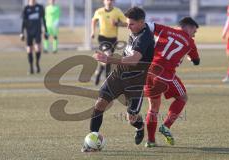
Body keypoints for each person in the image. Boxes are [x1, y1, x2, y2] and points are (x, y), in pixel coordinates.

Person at [82, 7, 155, 152]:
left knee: (131, 117)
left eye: (131, 24)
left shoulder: (145, 37)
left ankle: (140, 127)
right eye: (127, 23)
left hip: (135, 82)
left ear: (141, 22)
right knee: (100, 104)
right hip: (119, 76)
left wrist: (108, 59)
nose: (128, 26)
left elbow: (134, 60)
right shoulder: (135, 31)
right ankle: (91, 143)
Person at [144, 17, 200, 147]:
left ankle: (151, 141)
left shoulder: (165, 30)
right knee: (182, 97)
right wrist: (189, 57)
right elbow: (196, 61)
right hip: (166, 75)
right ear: (189, 27)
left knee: (153, 109)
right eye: (194, 31)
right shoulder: (190, 43)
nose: (194, 34)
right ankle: (166, 126)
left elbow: (147, 25)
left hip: (149, 72)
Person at [91, 0, 127, 85]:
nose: (109, 1)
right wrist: (92, 32)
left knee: (107, 59)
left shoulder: (117, 11)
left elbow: (126, 23)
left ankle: (99, 72)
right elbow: (94, 21)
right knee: (108, 55)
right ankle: (107, 79)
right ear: (103, 1)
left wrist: (117, 24)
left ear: (113, 1)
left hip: (113, 39)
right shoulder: (99, 11)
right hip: (102, 38)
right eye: (107, 0)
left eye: (111, 0)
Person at [20, 0, 48, 74]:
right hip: (29, 32)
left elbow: (43, 20)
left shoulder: (40, 7)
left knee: (37, 48)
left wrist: (46, 31)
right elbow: (23, 21)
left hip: (37, 31)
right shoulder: (26, 8)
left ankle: (37, 63)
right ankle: (31, 67)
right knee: (29, 49)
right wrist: (22, 32)